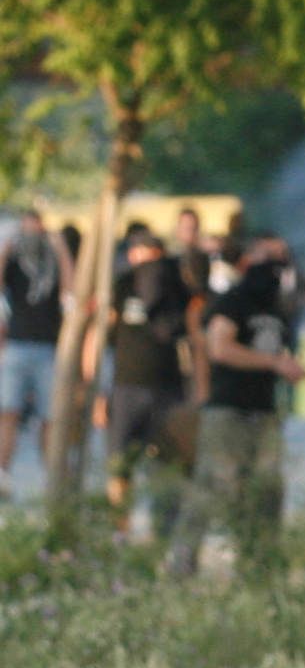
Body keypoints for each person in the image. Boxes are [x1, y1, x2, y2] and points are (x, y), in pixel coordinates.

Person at [168, 232, 305, 576]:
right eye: (267, 259)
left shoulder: (279, 308)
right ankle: (182, 563)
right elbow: (219, 347)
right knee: (212, 486)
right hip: (228, 409)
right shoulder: (234, 301)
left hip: (264, 409)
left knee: (265, 490)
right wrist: (273, 363)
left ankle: (258, 564)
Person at [86, 223, 200, 543]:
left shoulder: (178, 288)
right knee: (120, 463)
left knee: (166, 464)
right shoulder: (122, 285)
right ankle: (119, 528)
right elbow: (101, 336)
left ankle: (162, 532)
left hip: (168, 388)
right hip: (126, 386)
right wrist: (96, 390)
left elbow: (193, 336)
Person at [0, 209, 72, 494]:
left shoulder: (52, 264)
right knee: (8, 412)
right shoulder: (16, 263)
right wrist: (7, 247)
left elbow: (72, 289)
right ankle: (2, 474)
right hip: (17, 346)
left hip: (48, 348)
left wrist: (60, 247)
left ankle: (53, 481)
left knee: (50, 418)